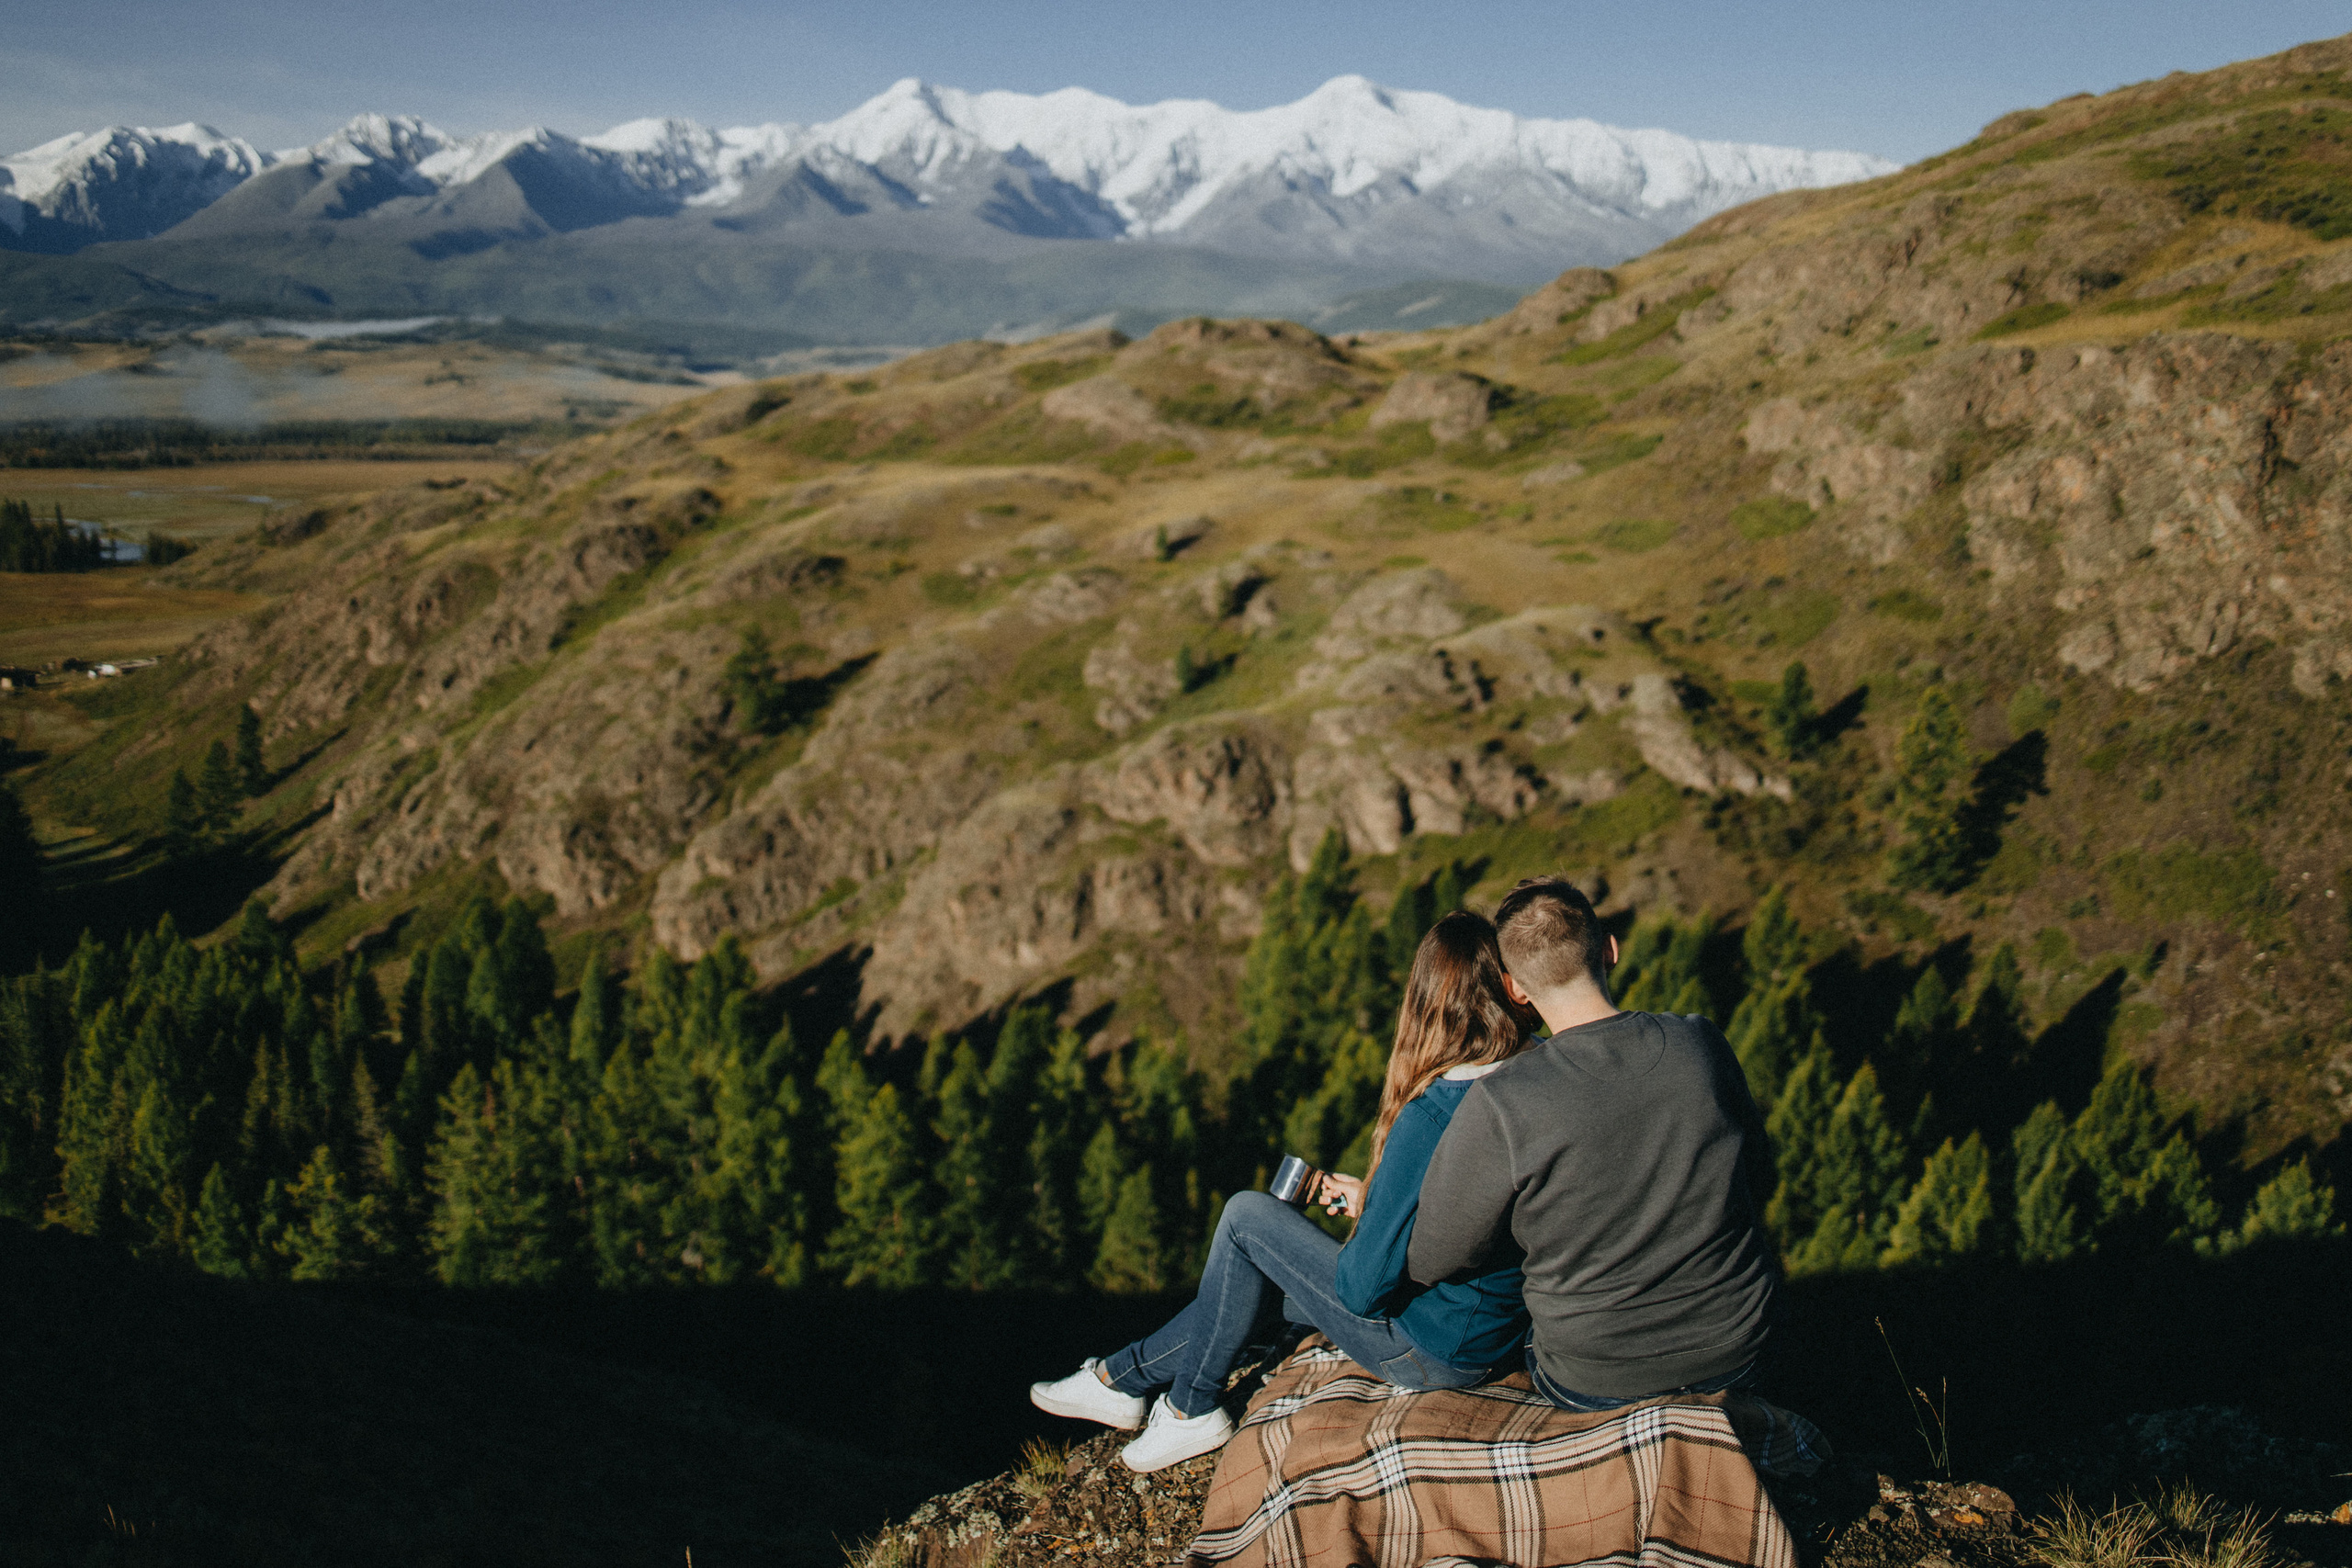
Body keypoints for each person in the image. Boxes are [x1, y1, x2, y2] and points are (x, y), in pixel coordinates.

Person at [1029, 910, 1541, 1472]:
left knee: (1247, 1218)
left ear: (1427, 1004)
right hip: (1493, 1325)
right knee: (1247, 1288)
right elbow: (1476, 1208)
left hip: (1436, 1348)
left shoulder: (1432, 1114)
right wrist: (1378, 1201)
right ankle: (1120, 1380)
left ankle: (1188, 1409)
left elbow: (1362, 1291)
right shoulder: (1534, 1072)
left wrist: (1371, 1230)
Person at [1408, 876, 1778, 1413]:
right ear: (1609, 950)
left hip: (1595, 1377)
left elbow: (1431, 1257)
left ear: (1516, 990)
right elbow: (1760, 1176)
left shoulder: (1503, 1102)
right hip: (1740, 1351)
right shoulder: (1702, 1045)